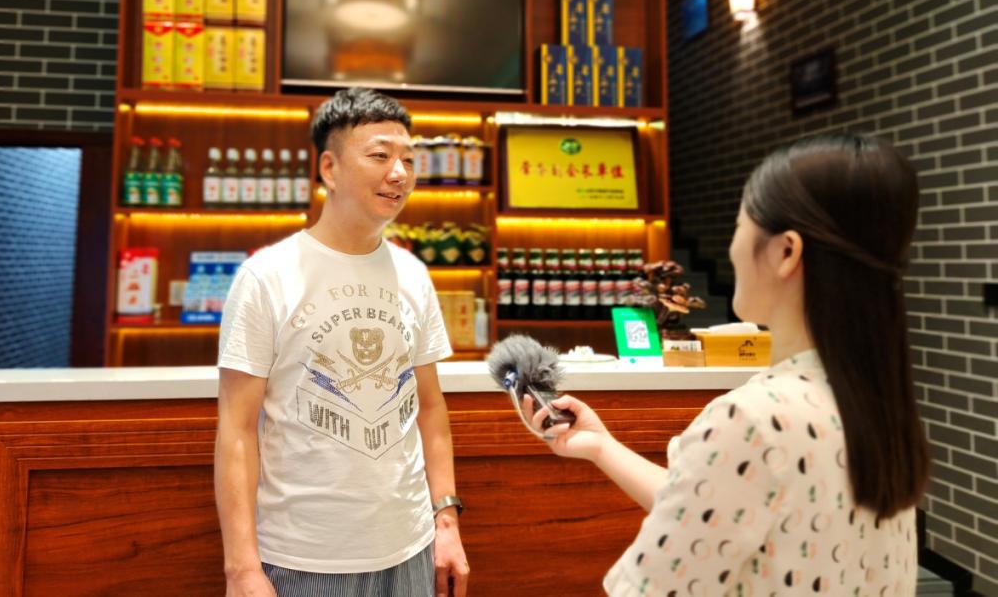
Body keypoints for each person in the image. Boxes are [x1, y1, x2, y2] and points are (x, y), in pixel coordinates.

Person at [524, 134, 930, 595]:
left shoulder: (753, 419)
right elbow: (723, 509)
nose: (733, 247)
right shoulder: (875, 402)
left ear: (786, 252)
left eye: (739, 226)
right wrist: (602, 447)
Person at [215, 87, 470, 597]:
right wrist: (241, 569)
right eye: (379, 156)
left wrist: (446, 521)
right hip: (303, 558)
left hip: (411, 546)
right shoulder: (267, 276)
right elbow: (236, 430)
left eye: (408, 159)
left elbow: (429, 408)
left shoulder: (413, 275)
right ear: (329, 169)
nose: (399, 173)